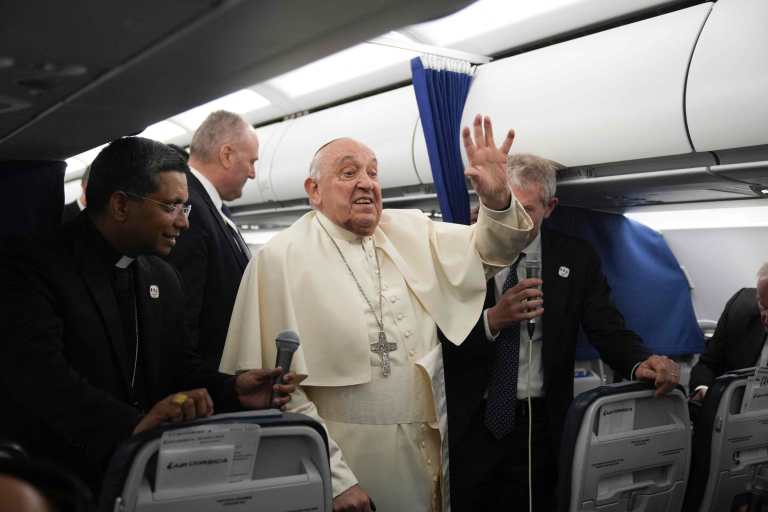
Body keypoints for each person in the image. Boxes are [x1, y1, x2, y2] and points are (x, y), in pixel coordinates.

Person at [220, 115, 533, 511]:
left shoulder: (412, 230)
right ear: (314, 191)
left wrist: (497, 200)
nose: (367, 182)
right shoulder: (279, 258)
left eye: (372, 172)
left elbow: (492, 251)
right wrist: (335, 479)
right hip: (348, 458)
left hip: (427, 449)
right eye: (348, 172)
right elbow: (283, 391)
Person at [0, 137, 297, 494]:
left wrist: (233, 390)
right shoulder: (33, 268)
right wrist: (132, 425)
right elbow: (42, 380)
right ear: (120, 205)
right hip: (63, 481)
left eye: (186, 208)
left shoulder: (160, 276)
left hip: (144, 477)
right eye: (172, 206)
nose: (184, 223)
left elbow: (179, 366)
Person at [443, 153, 680, 511]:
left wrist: (641, 361)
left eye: (527, 211)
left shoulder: (575, 257)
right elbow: (439, 339)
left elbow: (607, 328)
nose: (515, 222)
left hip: (544, 420)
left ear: (549, 207)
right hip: (475, 419)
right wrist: (493, 320)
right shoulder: (458, 253)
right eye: (507, 208)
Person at [165, 111, 258, 365]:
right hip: (207, 374)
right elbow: (184, 315)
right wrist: (201, 381)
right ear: (226, 155)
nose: (253, 173)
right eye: (251, 161)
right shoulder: (189, 208)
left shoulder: (215, 207)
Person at [689, 263, 768, 400]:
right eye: (763, 305)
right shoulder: (739, 309)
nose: (765, 317)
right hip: (731, 408)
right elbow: (707, 365)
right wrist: (705, 391)